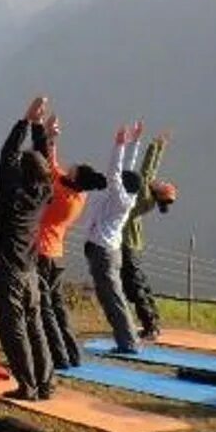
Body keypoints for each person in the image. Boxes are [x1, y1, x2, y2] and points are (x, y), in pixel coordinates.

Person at [0, 97, 55, 401]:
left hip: (8, 273)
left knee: (14, 332)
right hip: (30, 272)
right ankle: (46, 383)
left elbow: (7, 153)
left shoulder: (12, 194)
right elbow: (42, 162)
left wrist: (26, 120)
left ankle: (27, 386)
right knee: (35, 328)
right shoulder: (43, 192)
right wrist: (38, 127)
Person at [35, 113, 107, 370]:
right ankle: (72, 353)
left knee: (45, 308)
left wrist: (44, 135)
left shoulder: (61, 194)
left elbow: (45, 167)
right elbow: (54, 167)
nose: (69, 167)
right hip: (56, 253)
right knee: (58, 306)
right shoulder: (78, 197)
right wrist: (51, 137)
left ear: (74, 178)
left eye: (73, 169)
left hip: (41, 252)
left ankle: (59, 357)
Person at [83, 122, 145, 354]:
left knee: (113, 298)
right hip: (109, 250)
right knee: (111, 296)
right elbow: (126, 171)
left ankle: (128, 342)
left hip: (103, 252)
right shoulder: (129, 194)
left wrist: (118, 145)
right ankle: (126, 339)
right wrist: (134, 143)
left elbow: (116, 172)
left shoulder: (121, 199)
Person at [121, 132, 177, 342]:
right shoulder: (148, 198)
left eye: (162, 185)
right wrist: (159, 147)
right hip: (135, 247)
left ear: (158, 193)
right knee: (141, 284)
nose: (159, 181)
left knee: (135, 287)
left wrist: (155, 147)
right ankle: (153, 321)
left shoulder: (144, 196)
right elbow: (150, 173)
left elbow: (147, 170)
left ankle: (150, 326)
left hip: (128, 246)